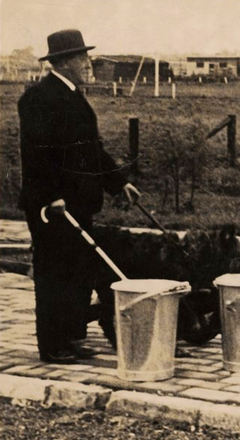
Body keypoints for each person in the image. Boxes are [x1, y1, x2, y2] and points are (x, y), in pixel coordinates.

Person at [17, 29, 141, 364]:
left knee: (76, 272)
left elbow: (92, 150)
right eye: (83, 58)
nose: (89, 64)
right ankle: (53, 345)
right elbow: (36, 156)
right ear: (66, 61)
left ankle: (70, 337)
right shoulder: (39, 98)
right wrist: (51, 197)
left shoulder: (73, 96)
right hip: (53, 207)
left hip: (79, 203)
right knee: (53, 273)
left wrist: (118, 184)